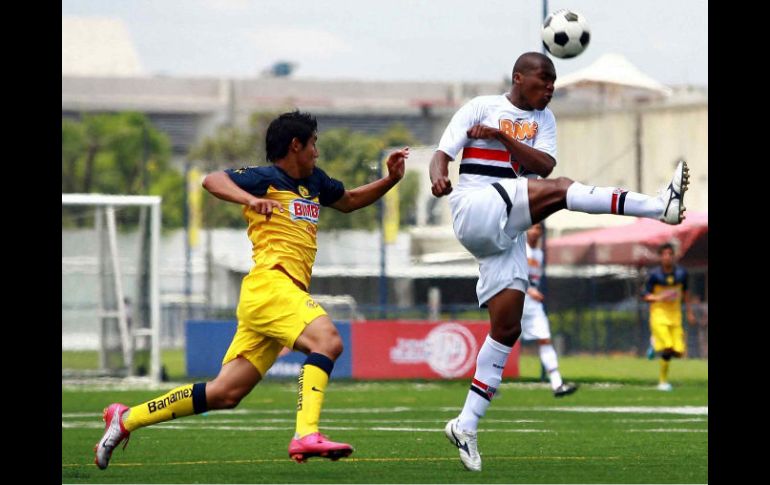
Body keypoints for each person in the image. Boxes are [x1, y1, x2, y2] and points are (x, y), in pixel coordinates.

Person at [94, 110, 409, 469]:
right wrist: (249, 200)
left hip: (271, 297)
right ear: (296, 145)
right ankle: (306, 433)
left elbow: (350, 200)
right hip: (271, 285)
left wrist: (391, 180)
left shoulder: (316, 183)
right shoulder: (265, 178)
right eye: (314, 144)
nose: (317, 153)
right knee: (328, 342)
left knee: (224, 393)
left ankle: (126, 418)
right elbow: (212, 180)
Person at [430, 52, 689, 472]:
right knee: (564, 190)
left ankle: (465, 424)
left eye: (553, 81)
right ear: (519, 77)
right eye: (543, 79)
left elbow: (543, 164)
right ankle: (659, 207)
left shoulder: (544, 121)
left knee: (507, 327)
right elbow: (442, 153)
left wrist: (502, 137)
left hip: (506, 228)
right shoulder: (479, 106)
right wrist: (437, 175)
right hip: (475, 206)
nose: (550, 87)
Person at [522, 222, 577, 397]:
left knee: (545, 340)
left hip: (533, 305)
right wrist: (529, 290)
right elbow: (513, 274)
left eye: (538, 228)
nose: (535, 231)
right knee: (502, 343)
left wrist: (533, 291)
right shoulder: (520, 250)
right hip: (517, 301)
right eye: (532, 227)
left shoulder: (539, 253)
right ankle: (487, 385)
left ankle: (557, 384)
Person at [642, 242, 696, 391]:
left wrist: (690, 312)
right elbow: (644, 296)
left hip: (675, 317)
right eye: (664, 254)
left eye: (670, 254)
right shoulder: (654, 275)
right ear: (660, 257)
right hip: (659, 316)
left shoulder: (681, 274)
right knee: (667, 347)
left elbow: (686, 293)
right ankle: (662, 382)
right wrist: (660, 297)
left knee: (678, 352)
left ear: (674, 256)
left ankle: (654, 345)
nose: (667, 257)